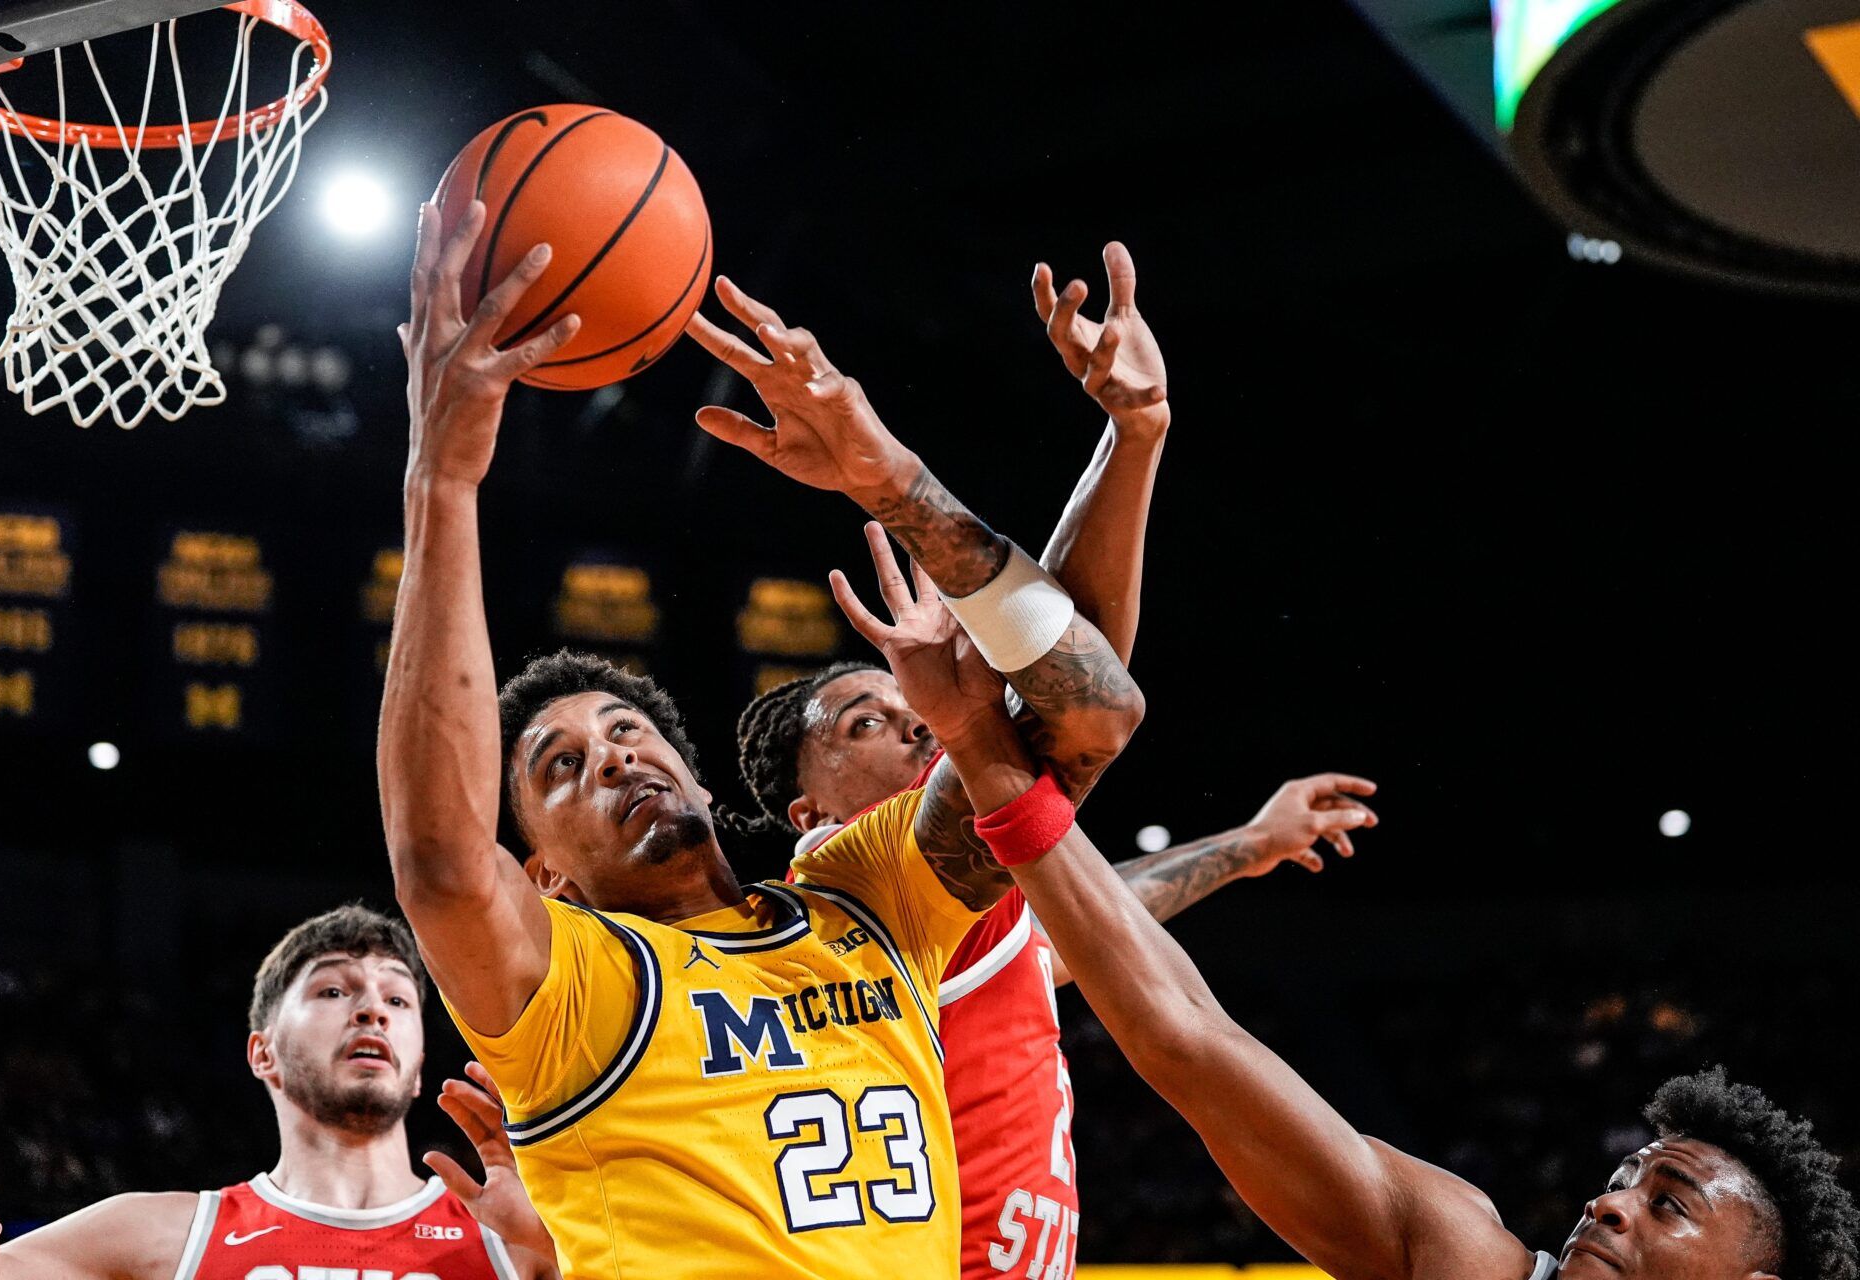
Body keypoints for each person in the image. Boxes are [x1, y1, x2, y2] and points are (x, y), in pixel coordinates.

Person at [380, 203, 1140, 1279]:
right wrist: (441, 484)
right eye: (563, 766)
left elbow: (1083, 712)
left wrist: (896, 484)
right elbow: (442, 863)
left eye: (629, 730)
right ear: (542, 870)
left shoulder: (862, 891)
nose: (612, 756)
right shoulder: (571, 992)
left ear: (691, 770)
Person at [828, 551, 1860, 1280]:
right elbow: (1187, 1039)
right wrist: (983, 746)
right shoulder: (1464, 1252)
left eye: (1666, 1202)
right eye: (1628, 1178)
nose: (1610, 1200)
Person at [721, 245, 1377, 1279]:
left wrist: (1246, 846)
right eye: (862, 721)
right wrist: (903, 486)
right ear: (808, 816)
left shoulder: (962, 913)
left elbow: (1072, 917)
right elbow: (1081, 705)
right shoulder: (865, 885)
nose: (915, 723)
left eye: (912, 706)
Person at [0, 906, 553, 1280]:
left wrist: (572, 1243)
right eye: (333, 991)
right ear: (264, 1053)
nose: (372, 1010)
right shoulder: (159, 1234)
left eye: (396, 998)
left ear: (418, 1065)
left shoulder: (520, 1243)